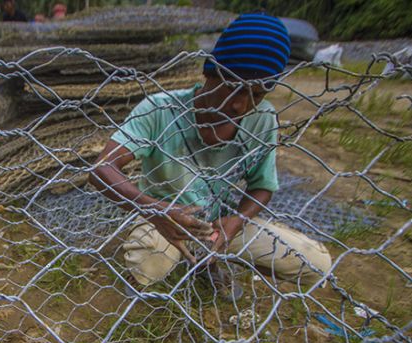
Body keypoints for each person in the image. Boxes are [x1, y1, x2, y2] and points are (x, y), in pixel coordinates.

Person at [88, 12, 332, 299]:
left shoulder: (262, 119)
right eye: (233, 87)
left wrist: (235, 223)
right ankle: (179, 255)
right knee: (148, 265)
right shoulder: (160, 109)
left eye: (256, 94)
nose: (241, 105)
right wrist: (155, 210)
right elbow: (102, 168)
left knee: (316, 264)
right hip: (165, 219)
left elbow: (262, 186)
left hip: (220, 221)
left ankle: (213, 259)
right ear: (210, 72)